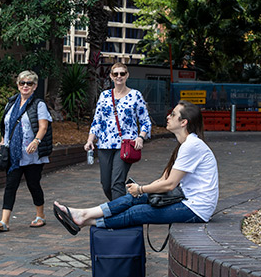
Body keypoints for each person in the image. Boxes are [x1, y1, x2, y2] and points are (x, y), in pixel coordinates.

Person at [54, 100, 218, 234]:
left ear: (183, 122)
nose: (168, 116)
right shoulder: (186, 144)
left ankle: (85, 220)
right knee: (134, 199)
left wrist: (141, 189)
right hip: (185, 199)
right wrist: (140, 191)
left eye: (173, 114)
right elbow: (164, 179)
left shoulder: (191, 145)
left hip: (196, 208)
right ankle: (83, 214)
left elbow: (169, 184)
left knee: (138, 212)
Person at [0, 70, 53, 232]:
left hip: (32, 154)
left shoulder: (39, 104)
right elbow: (7, 126)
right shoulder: (11, 103)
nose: (25, 86)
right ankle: (4, 221)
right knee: (10, 186)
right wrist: (3, 141)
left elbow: (43, 127)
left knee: (33, 184)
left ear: (35, 86)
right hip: (13, 154)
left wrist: (36, 141)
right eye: (22, 83)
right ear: (18, 85)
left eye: (29, 83)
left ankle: (40, 215)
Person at [84, 63, 152, 201]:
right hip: (104, 145)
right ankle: (123, 205)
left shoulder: (135, 95)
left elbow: (145, 121)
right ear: (111, 76)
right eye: (116, 74)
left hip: (125, 145)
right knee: (106, 185)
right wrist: (90, 140)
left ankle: (118, 212)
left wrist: (141, 137)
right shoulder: (104, 96)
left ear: (127, 75)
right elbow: (97, 121)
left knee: (117, 183)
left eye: (122, 73)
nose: (119, 76)